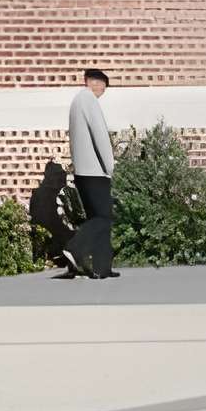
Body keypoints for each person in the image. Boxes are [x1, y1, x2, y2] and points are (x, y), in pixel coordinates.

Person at [66, 66, 117, 279]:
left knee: (97, 217)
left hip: (82, 171)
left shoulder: (77, 102)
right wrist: (111, 167)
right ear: (93, 82)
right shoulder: (88, 99)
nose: (101, 93)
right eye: (102, 88)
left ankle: (101, 268)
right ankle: (75, 248)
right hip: (95, 171)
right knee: (104, 218)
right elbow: (100, 136)